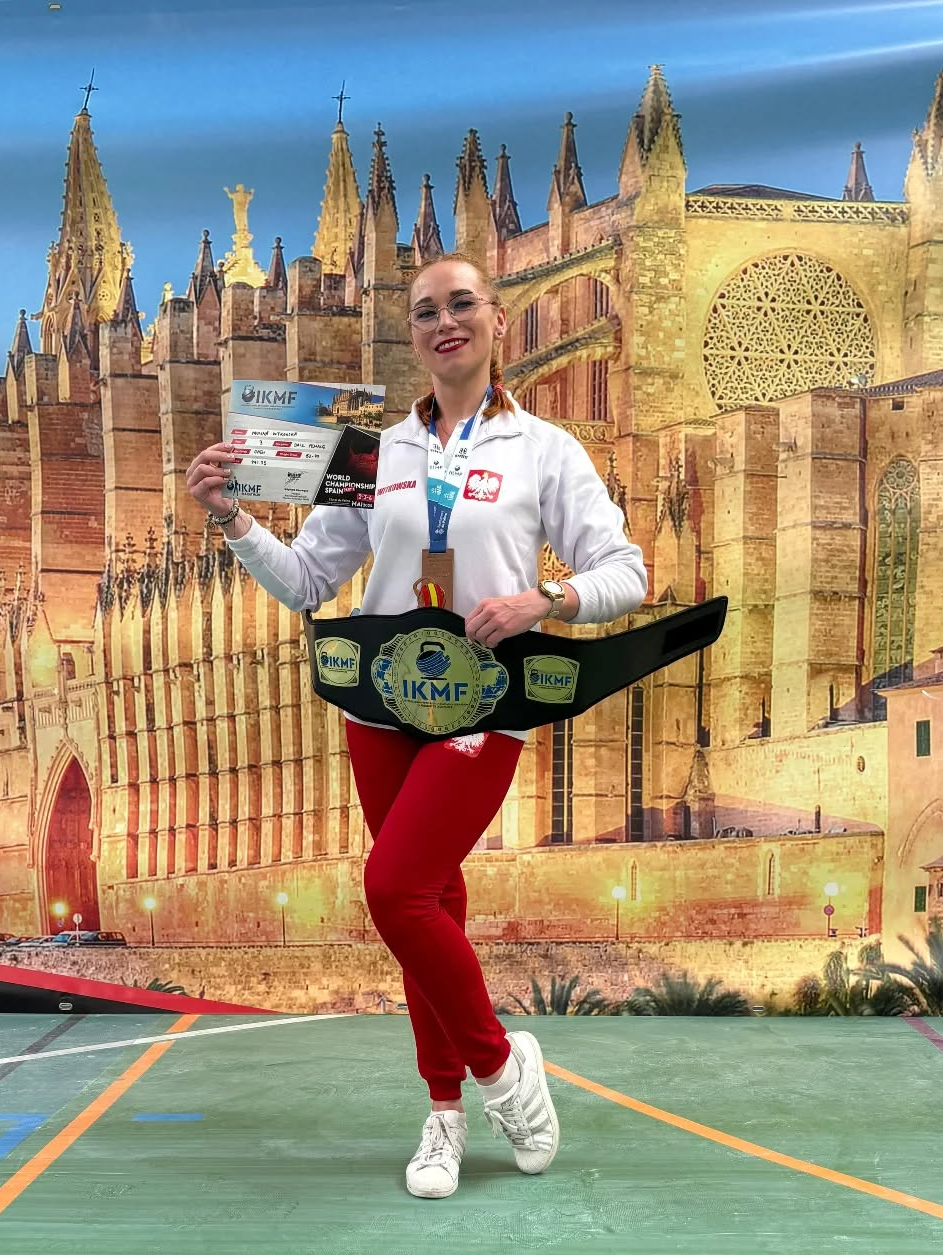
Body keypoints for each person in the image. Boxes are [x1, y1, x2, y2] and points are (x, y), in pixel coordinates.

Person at [186, 251, 648, 1200]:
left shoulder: (545, 450)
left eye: (462, 303)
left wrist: (545, 598)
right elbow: (308, 582)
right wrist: (232, 520)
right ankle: (444, 1114)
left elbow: (626, 573)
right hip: (380, 704)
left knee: (395, 889)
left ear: (498, 320)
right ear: (414, 335)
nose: (446, 322)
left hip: (484, 703)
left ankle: (501, 1070)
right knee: (431, 903)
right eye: (428, 310)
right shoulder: (370, 452)